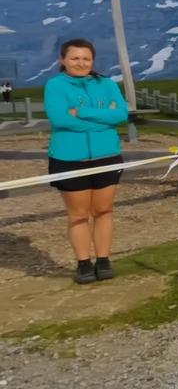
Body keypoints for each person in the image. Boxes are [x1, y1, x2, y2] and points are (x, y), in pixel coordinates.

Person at [43, 39, 129, 284]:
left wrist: (80, 112)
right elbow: (60, 119)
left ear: (92, 60)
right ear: (63, 60)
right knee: (79, 214)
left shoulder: (107, 84)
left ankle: (103, 259)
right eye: (75, 58)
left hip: (107, 156)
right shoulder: (55, 86)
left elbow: (121, 114)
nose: (81, 63)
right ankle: (83, 263)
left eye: (86, 59)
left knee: (103, 210)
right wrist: (105, 118)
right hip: (70, 159)